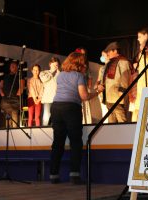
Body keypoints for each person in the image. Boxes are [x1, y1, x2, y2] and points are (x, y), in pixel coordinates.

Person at [49, 52, 104, 184]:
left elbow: (58, 92)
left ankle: (53, 175)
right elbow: (84, 96)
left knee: (58, 142)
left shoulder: (60, 75)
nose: (85, 65)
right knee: (75, 142)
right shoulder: (79, 76)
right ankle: (74, 175)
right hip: (71, 109)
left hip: (56, 107)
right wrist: (97, 92)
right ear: (79, 63)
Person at [98, 42, 131, 123]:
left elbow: (125, 78)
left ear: (115, 51)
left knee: (121, 120)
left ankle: (124, 135)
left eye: (109, 51)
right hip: (109, 97)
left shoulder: (123, 62)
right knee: (111, 123)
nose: (108, 53)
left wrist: (122, 92)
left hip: (117, 97)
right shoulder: (109, 63)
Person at [0, 61, 25, 128]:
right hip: (6, 99)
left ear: (17, 67)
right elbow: (1, 86)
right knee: (7, 119)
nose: (12, 67)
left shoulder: (19, 76)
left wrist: (17, 95)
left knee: (14, 117)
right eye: (11, 66)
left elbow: (21, 87)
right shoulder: (5, 76)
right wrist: (2, 95)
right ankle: (7, 131)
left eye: (14, 65)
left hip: (15, 99)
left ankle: (15, 132)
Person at [39, 57, 60, 126]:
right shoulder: (44, 72)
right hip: (47, 99)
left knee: (56, 119)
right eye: (54, 65)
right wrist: (52, 72)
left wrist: (59, 74)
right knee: (46, 119)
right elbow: (44, 79)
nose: (55, 67)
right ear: (50, 64)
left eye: (57, 65)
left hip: (57, 100)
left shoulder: (60, 74)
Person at [75, 47, 92, 124]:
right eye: (82, 54)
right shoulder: (74, 64)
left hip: (84, 87)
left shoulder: (86, 64)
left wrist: (89, 86)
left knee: (85, 105)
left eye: (84, 54)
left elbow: (89, 75)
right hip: (76, 87)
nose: (83, 55)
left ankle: (86, 122)